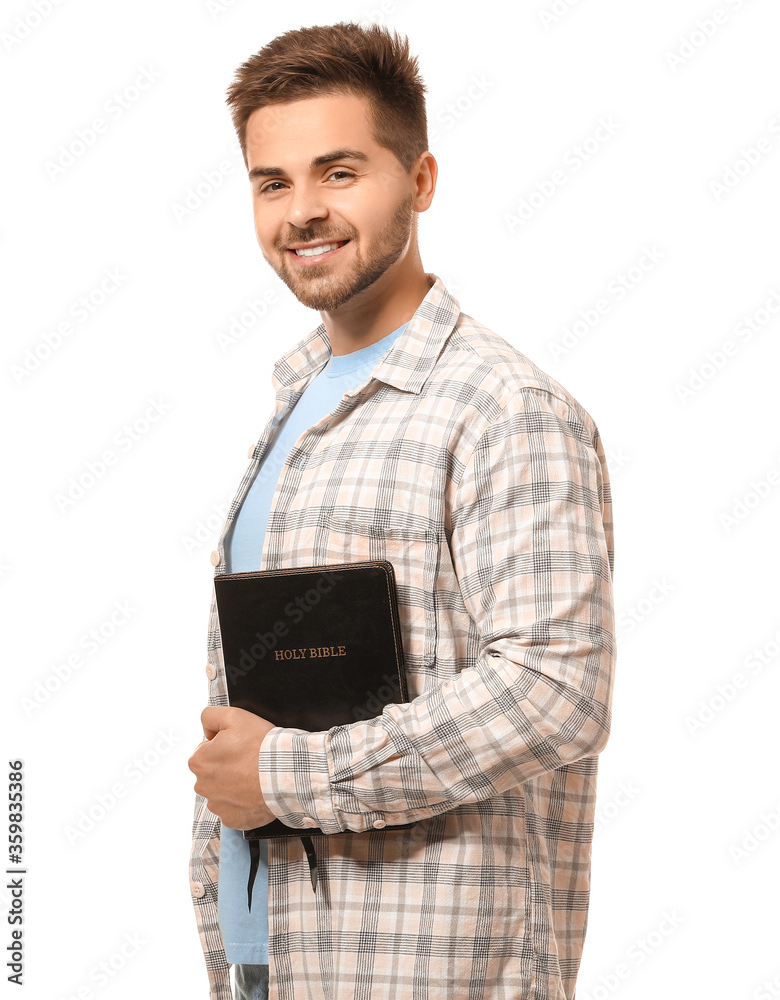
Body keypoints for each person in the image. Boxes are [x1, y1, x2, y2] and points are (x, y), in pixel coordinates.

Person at [187, 21, 616, 1000]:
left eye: (338, 172)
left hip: (422, 970)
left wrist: (291, 779)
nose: (302, 211)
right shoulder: (294, 406)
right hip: (269, 960)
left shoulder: (504, 407)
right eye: (272, 181)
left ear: (420, 182)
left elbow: (556, 689)